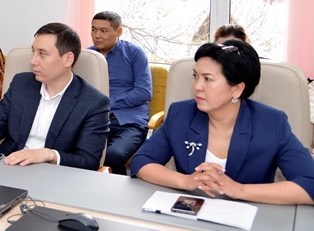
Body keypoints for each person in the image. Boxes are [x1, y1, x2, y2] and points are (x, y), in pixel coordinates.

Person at [131, 40, 314, 205]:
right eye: (195, 76)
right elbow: (142, 162)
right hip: (189, 214)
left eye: (208, 79)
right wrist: (185, 181)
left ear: (237, 89)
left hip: (249, 219)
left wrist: (239, 190)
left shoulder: (271, 123)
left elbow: (309, 183)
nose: (197, 86)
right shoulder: (181, 114)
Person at [0, 22, 110, 170]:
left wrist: (49, 155)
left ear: (68, 59)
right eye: (33, 52)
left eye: (42, 54)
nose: (33, 61)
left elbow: (88, 161)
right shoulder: (21, 83)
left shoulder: (94, 103)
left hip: (55, 176)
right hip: (9, 167)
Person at [88, 11, 152, 175]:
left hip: (129, 122)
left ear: (119, 32)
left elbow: (144, 92)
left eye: (103, 31)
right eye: (94, 30)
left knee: (113, 155)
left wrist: (107, 102)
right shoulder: (87, 56)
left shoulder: (134, 53)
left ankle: (121, 189)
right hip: (94, 121)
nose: (97, 35)